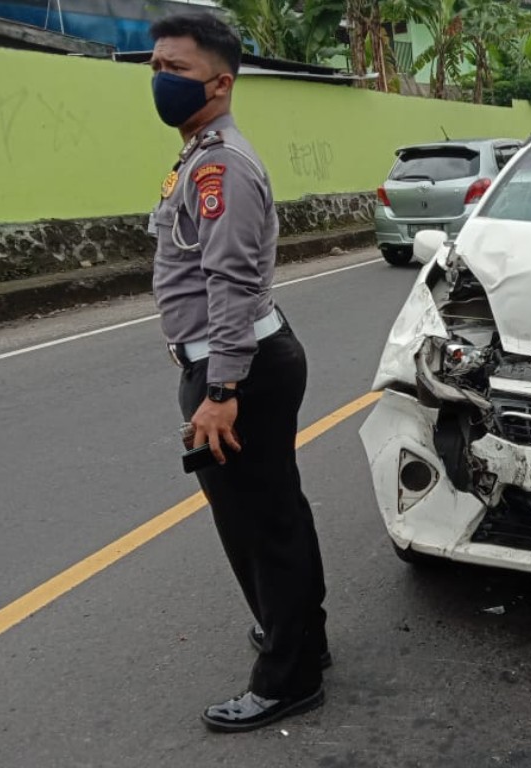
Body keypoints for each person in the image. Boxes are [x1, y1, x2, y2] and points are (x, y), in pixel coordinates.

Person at [148, 13, 329, 732]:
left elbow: (227, 283)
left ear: (220, 84)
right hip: (236, 364)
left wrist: (220, 391)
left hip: (240, 371)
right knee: (263, 516)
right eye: (156, 65)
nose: (160, 79)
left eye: (178, 69)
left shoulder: (222, 165)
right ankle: (296, 635)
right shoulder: (199, 154)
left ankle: (290, 678)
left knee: (263, 524)